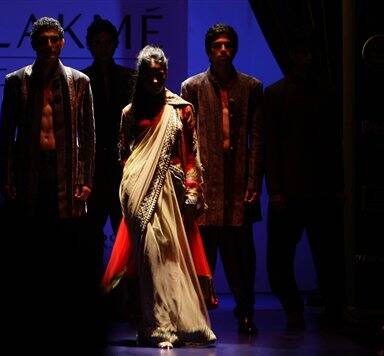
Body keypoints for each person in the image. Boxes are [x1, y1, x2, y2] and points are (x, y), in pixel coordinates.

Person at [102, 45, 216, 349]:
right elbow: (122, 155)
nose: (156, 78)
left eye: (161, 72)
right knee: (149, 259)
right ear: (142, 74)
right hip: (139, 194)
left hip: (173, 194)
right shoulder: (130, 112)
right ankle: (156, 326)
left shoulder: (181, 109)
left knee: (172, 257)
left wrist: (192, 191)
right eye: (150, 73)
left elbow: (191, 154)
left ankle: (183, 323)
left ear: (166, 72)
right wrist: (132, 185)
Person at [0, 16, 98, 348]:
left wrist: (86, 179)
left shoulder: (79, 82)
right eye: (42, 40)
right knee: (29, 243)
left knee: (65, 244)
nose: (49, 45)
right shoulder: (17, 81)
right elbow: (5, 134)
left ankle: (65, 316)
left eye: (54, 39)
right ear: (34, 44)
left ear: (63, 42)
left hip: (65, 171)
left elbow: (89, 136)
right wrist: (6, 176)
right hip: (29, 171)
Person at [181, 23, 264, 335]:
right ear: (208, 50)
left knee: (242, 257)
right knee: (203, 255)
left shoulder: (251, 87)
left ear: (235, 48)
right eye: (217, 45)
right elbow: (186, 140)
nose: (223, 51)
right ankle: (198, 316)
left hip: (238, 176)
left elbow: (257, 140)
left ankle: (246, 312)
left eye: (227, 45)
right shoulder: (192, 87)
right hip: (207, 178)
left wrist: (253, 182)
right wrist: (190, 183)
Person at [264, 30, 345, 329]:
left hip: (319, 188)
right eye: (299, 54)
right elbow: (270, 147)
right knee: (280, 259)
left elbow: (336, 144)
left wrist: (338, 186)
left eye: (307, 54)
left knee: (328, 256)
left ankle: (331, 311)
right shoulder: (275, 94)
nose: (304, 59)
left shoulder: (327, 92)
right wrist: (275, 190)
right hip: (290, 190)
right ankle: (295, 308)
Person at [81, 17, 135, 283]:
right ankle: (95, 294)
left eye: (107, 43)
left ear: (115, 45)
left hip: (123, 168)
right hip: (93, 170)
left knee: (124, 234)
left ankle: (124, 295)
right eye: (97, 43)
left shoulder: (128, 78)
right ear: (90, 46)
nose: (103, 48)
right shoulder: (82, 80)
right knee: (91, 234)